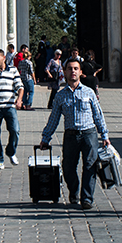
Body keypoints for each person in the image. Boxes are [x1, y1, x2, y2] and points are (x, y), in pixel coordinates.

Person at [40, 57, 110, 210]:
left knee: (90, 166)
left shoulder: (89, 92)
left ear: (81, 72)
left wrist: (104, 134)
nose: (73, 71)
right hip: (71, 135)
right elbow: (54, 119)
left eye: (76, 69)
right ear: (64, 72)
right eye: (70, 69)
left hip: (89, 134)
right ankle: (74, 190)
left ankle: (87, 198)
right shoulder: (60, 95)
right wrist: (46, 138)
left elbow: (98, 114)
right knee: (68, 167)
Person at [0, 49, 24, 170]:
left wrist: (19, 99)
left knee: (15, 130)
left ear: (4, 58)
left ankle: (11, 151)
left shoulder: (13, 70)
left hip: (9, 106)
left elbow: (20, 87)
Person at [16, 44, 36, 109]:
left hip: (22, 78)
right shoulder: (29, 62)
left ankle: (23, 104)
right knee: (31, 92)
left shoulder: (21, 62)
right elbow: (31, 71)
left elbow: (18, 69)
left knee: (24, 92)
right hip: (28, 78)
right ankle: (28, 105)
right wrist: (34, 79)